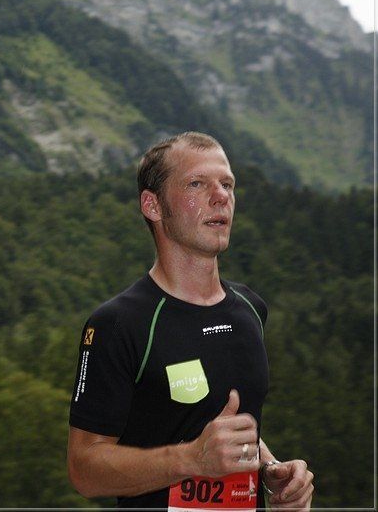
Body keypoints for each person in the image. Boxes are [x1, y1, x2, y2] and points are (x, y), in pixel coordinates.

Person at [67, 132, 314, 510]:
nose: (221, 196)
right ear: (153, 205)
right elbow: (84, 470)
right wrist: (189, 460)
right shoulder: (117, 324)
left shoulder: (249, 310)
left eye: (227, 184)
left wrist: (270, 470)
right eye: (197, 184)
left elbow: (223, 427)